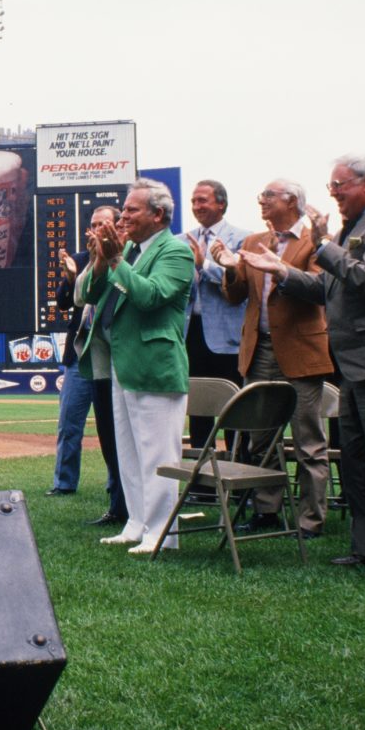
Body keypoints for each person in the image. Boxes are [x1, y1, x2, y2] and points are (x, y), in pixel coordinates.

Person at [239, 154, 365, 580]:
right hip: (357, 366)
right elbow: (328, 289)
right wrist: (283, 271)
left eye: (339, 185)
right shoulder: (355, 228)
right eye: (331, 186)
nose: (334, 193)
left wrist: (324, 245)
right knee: (358, 462)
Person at [75, 178, 194, 554]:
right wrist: (100, 258)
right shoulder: (126, 249)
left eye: (131, 210)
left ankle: (162, 533)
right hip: (122, 363)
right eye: (123, 210)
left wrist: (115, 260)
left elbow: (151, 296)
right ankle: (136, 522)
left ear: (157, 214)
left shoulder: (176, 251)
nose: (123, 216)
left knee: (158, 453)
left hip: (155, 364)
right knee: (128, 450)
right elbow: (88, 296)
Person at [211, 179, 333, 538]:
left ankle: (311, 520)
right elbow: (234, 297)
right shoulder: (253, 242)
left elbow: (320, 290)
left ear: (292, 201)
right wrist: (230, 268)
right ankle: (266, 510)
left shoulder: (316, 241)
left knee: (308, 440)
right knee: (260, 437)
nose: (260, 201)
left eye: (268, 196)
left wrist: (280, 270)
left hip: (300, 350)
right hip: (259, 349)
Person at [50, 206, 129, 533]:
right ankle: (64, 482)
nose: (95, 229)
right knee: (70, 421)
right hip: (80, 352)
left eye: (102, 223)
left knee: (114, 427)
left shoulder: (125, 257)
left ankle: (118, 492)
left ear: (116, 225)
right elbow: (65, 302)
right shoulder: (81, 258)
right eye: (93, 224)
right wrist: (70, 277)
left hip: (114, 354)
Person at [182, 180, 249, 464]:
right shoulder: (180, 240)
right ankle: (203, 482)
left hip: (227, 339)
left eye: (203, 201)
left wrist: (204, 265)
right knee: (198, 410)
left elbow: (240, 285)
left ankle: (237, 476)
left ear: (221, 203)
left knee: (234, 410)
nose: (197, 206)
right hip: (190, 333)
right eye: (194, 201)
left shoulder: (243, 239)